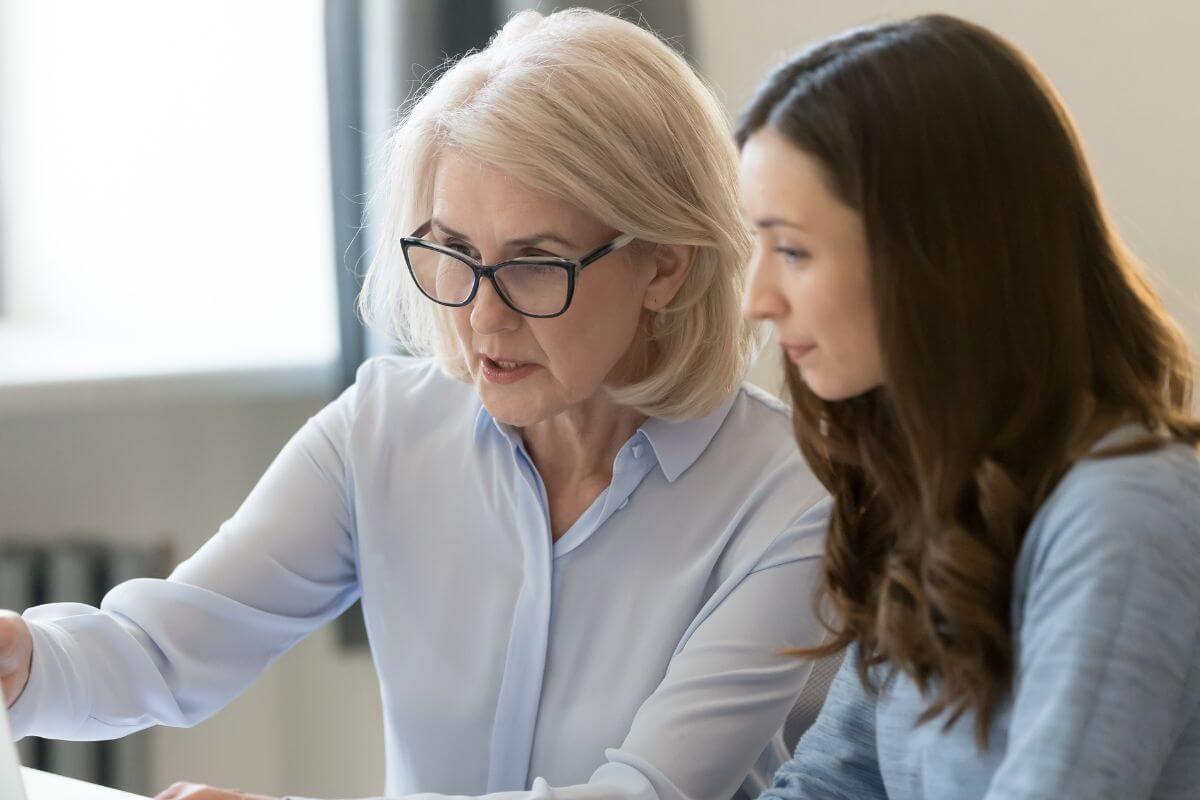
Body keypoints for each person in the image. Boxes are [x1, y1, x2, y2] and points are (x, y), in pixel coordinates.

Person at [0, 9, 833, 800]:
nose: (481, 315)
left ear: (666, 265)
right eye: (454, 252)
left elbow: (644, 793)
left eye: (536, 262)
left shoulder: (789, 496)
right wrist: (24, 656)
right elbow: (161, 651)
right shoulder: (384, 429)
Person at [737, 14, 1200, 800]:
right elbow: (828, 785)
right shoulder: (943, 495)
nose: (756, 299)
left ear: (934, 259)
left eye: (793, 250)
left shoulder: (1125, 511)